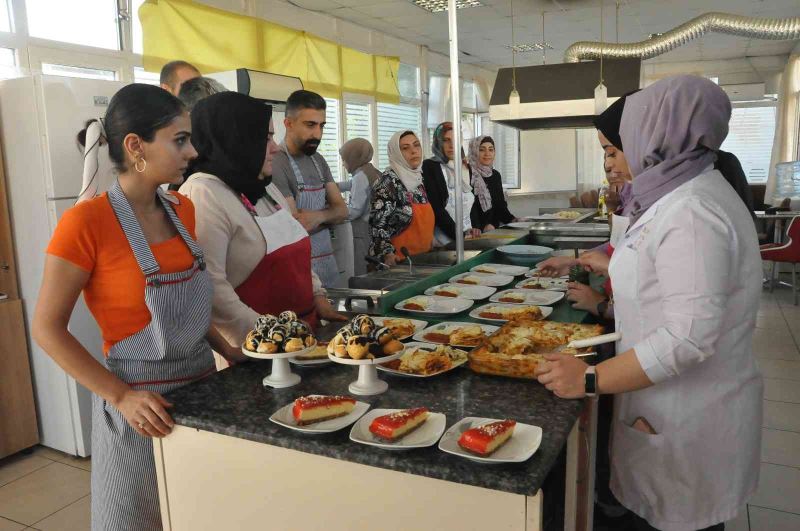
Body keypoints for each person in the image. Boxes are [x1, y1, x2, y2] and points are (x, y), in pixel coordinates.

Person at [536, 75, 763, 531]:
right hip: (667, 403)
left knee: (677, 518)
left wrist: (591, 378)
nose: (625, 148)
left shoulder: (692, 210)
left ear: (660, 134)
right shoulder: (676, 195)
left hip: (687, 414)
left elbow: (688, 336)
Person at [32, 84, 241, 530]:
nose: (192, 151)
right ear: (135, 146)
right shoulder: (85, 223)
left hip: (205, 390)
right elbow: (47, 329)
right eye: (180, 140)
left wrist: (230, 350)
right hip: (140, 407)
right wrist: (121, 396)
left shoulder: (180, 208)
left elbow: (188, 304)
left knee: (202, 514)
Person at [180, 92, 345, 366]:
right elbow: (213, 290)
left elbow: (297, 246)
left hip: (301, 340)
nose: (275, 148)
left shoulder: (263, 186)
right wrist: (277, 336)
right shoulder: (203, 193)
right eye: (265, 138)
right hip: (256, 351)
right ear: (237, 140)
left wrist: (318, 295)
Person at [271, 90, 348, 288]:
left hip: (328, 267)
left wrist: (319, 217)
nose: (318, 134)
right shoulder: (277, 163)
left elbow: (343, 211)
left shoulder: (318, 160)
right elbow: (296, 224)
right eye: (310, 125)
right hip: (300, 274)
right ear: (288, 123)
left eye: (321, 125)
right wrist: (328, 215)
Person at [369, 131, 435, 265]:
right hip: (401, 263)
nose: (413, 151)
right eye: (405, 148)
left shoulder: (418, 179)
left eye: (416, 145)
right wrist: (387, 254)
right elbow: (377, 227)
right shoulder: (387, 183)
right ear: (396, 153)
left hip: (425, 259)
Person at [422, 122, 481, 246]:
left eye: (455, 140)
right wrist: (459, 235)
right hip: (444, 240)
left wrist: (475, 228)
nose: (451, 145)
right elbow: (437, 209)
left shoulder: (465, 167)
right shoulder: (430, 166)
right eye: (446, 140)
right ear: (438, 142)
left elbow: (472, 204)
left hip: (469, 238)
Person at [339, 138, 382, 276]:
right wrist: (330, 186)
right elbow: (350, 184)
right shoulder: (370, 170)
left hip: (362, 233)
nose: (343, 164)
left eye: (344, 159)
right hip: (375, 231)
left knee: (362, 270)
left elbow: (355, 211)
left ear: (353, 158)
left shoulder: (360, 177)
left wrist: (336, 211)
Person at [467, 135, 516, 231]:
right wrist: (481, 227)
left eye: (491, 149)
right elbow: (470, 208)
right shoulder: (467, 173)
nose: (487, 153)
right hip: (473, 231)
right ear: (474, 152)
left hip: (492, 229)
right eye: (481, 150)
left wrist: (513, 219)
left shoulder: (495, 175)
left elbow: (500, 205)